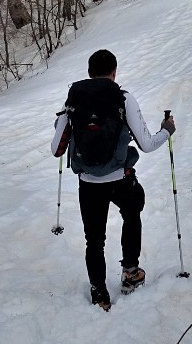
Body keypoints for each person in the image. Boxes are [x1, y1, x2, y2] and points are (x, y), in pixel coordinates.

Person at [51, 49, 175, 310]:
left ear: (89, 72)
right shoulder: (123, 98)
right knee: (132, 212)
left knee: (94, 239)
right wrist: (167, 131)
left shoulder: (73, 99)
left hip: (88, 182)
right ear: (114, 72)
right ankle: (130, 273)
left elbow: (56, 150)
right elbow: (147, 144)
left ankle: (99, 295)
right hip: (120, 178)